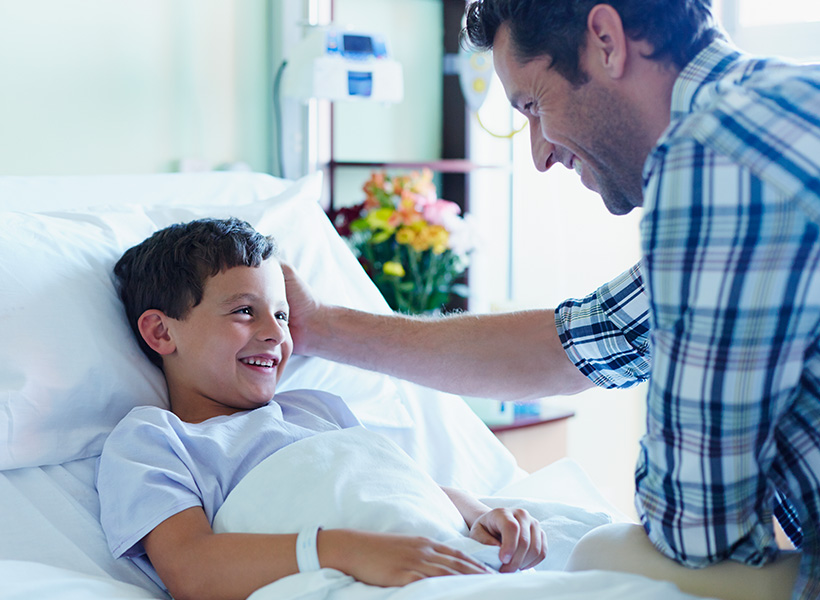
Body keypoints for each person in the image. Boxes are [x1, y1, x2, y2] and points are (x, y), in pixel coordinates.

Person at [282, 1, 820, 598]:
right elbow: (586, 339)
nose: (539, 156)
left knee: (603, 556)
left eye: (534, 105)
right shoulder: (779, 114)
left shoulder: (712, 156)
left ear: (606, 40)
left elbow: (696, 526)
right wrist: (320, 326)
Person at [95, 217, 546, 600]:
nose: (277, 334)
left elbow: (400, 487)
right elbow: (191, 568)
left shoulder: (314, 407)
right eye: (244, 311)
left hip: (446, 553)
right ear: (161, 333)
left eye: (282, 315)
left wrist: (481, 514)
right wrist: (345, 550)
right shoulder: (154, 440)